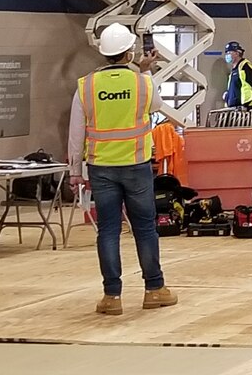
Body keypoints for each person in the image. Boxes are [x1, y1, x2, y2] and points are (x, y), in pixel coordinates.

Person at [67, 23, 179, 316]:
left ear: (104, 54)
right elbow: (155, 106)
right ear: (129, 52)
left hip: (101, 168)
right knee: (144, 228)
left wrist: (74, 170)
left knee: (108, 231)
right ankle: (154, 289)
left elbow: (75, 132)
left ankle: (111, 297)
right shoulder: (143, 82)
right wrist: (144, 70)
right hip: (137, 166)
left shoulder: (86, 86)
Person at [222, 41, 252, 119]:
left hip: (245, 111)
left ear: (237, 53)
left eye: (229, 52)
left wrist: (244, 106)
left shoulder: (245, 67)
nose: (227, 55)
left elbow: (248, 88)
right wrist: (227, 96)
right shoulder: (234, 70)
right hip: (234, 110)